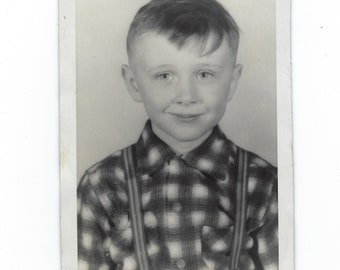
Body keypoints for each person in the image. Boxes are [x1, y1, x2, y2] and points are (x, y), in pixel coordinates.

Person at [77, 0, 278, 269]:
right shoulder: (101, 185)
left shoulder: (264, 184)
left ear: (232, 82)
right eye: (164, 76)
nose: (186, 96)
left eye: (204, 74)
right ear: (134, 83)